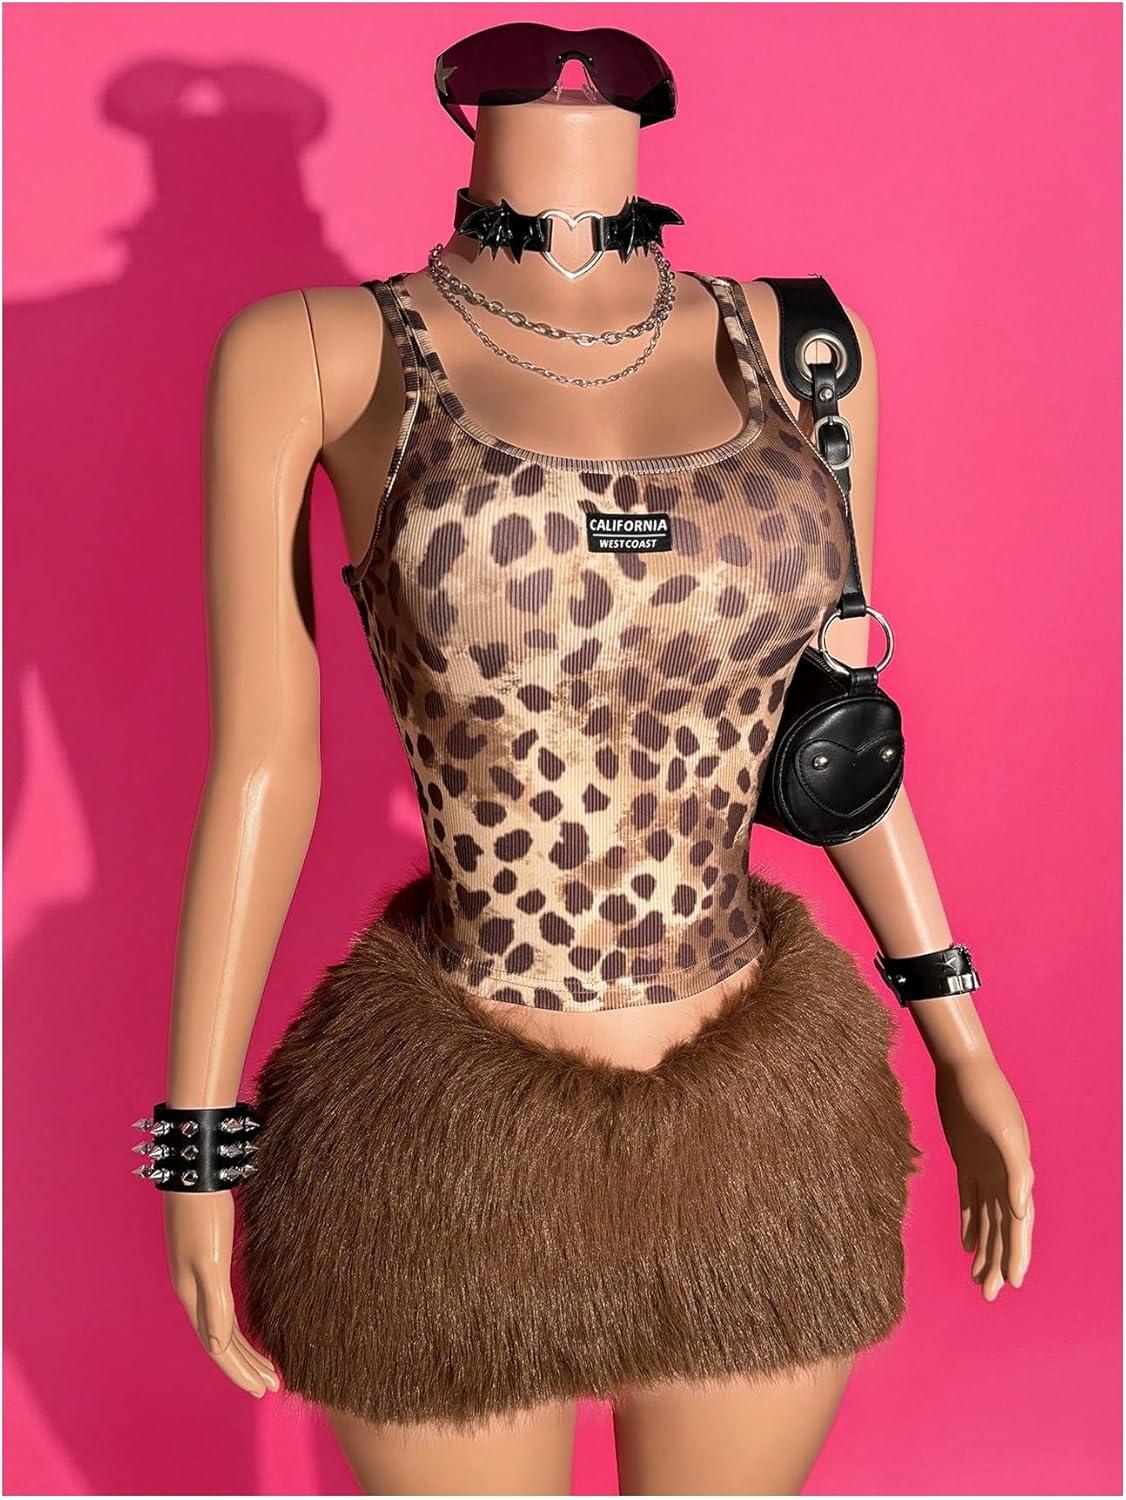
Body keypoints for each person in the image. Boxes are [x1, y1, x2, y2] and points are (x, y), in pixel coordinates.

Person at [142, 24, 1035, 1496]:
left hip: (757, 1145)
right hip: (441, 1156)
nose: (568, 78)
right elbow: (263, 767)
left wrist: (959, 1036)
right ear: (462, 107)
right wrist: (201, 1140)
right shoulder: (318, 349)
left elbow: (840, 738)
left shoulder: (805, 351)